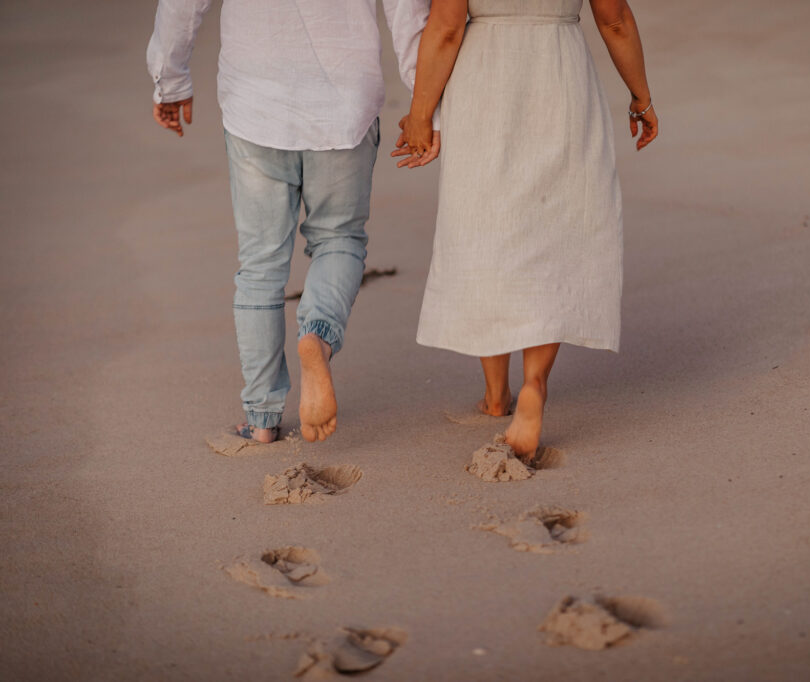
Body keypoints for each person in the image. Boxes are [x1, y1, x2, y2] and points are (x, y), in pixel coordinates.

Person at [147, 0, 438, 443]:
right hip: (344, 103)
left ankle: (261, 417)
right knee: (339, 240)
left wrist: (170, 80)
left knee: (261, 264)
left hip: (256, 105)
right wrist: (424, 103)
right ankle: (317, 336)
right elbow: (408, 11)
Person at [393, 0, 658, 460]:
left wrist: (420, 112)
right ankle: (535, 384)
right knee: (551, 233)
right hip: (560, 70)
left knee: (485, 227)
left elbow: (447, 27)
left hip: (485, 77)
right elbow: (614, 18)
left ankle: (496, 395)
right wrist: (641, 96)